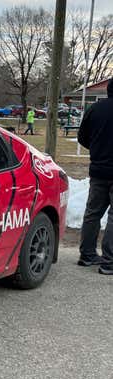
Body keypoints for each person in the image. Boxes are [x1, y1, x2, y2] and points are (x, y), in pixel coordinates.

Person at [77, 78, 113, 275]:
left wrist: (98, 149)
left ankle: (87, 254)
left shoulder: (95, 109)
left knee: (93, 213)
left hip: (98, 169)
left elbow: (82, 136)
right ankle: (109, 261)